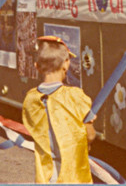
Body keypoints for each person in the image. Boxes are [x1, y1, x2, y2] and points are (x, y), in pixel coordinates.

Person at [22, 36, 97, 183]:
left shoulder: (30, 99)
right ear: (66, 64)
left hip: (46, 174)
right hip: (72, 174)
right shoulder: (75, 97)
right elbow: (90, 135)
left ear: (36, 66)